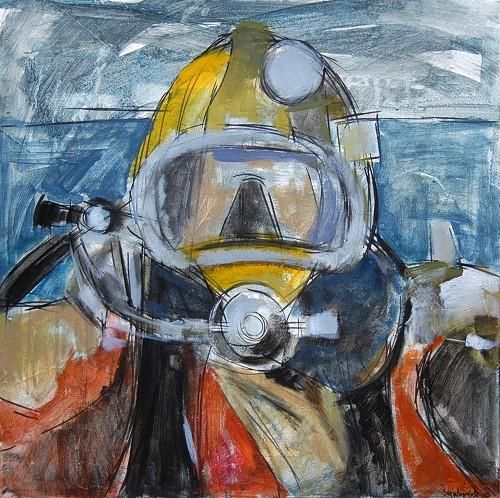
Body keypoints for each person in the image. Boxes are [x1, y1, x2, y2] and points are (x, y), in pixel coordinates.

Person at [0, 21, 498, 497]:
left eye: (290, 185)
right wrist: (83, 323)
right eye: (212, 181)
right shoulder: (111, 357)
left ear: (347, 211)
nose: (251, 220)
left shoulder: (417, 366)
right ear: (153, 212)